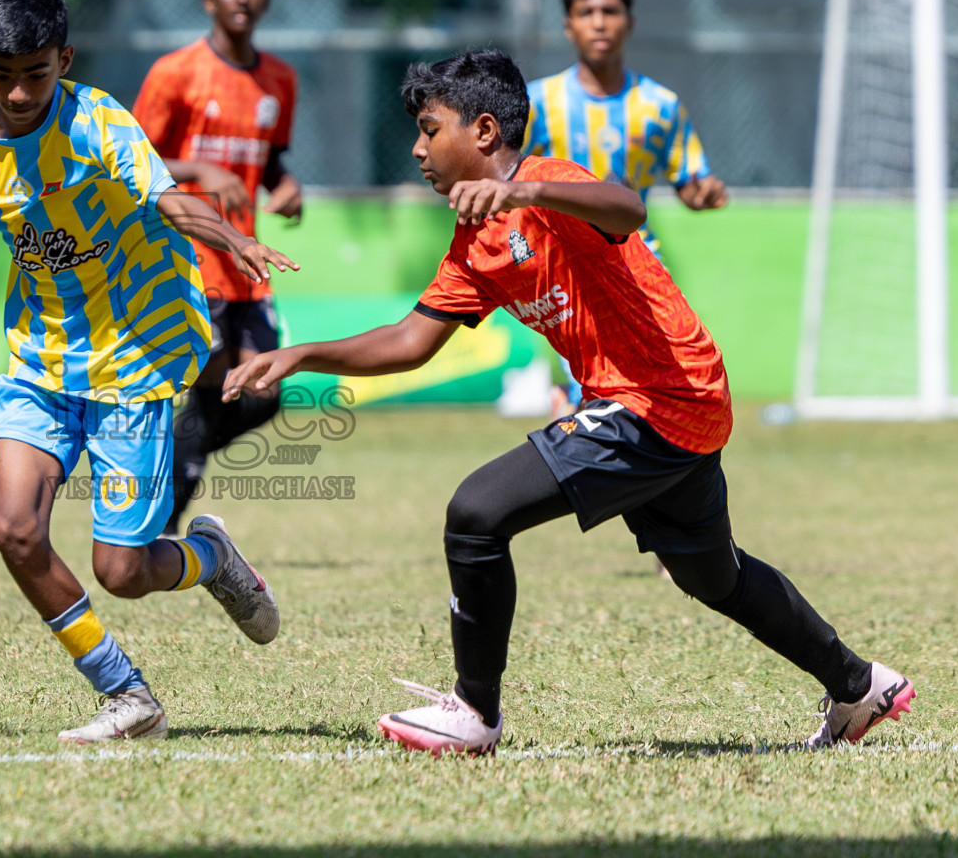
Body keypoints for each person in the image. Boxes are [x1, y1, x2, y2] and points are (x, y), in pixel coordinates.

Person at [223, 49, 914, 756]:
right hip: (678, 405)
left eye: (430, 129)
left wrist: (526, 195)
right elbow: (409, 340)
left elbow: (628, 206)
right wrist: (301, 354)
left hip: (658, 396)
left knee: (476, 514)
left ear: (484, 131)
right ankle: (858, 685)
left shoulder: (545, 181)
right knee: (716, 576)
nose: (417, 147)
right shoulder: (475, 240)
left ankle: (473, 712)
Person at [0, 0, 295, 743]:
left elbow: (168, 200)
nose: (21, 91)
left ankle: (209, 557)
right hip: (40, 367)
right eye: (3, 74)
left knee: (122, 572)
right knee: (14, 530)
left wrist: (234, 238)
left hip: (133, 364)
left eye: (37, 72)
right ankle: (127, 695)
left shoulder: (99, 124)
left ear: (65, 57)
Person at [131, 0, 303, 535]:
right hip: (188, 259)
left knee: (261, 394)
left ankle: (159, 500)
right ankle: (154, 526)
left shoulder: (279, 81)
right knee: (210, 395)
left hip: (246, 263)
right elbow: (131, 164)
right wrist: (201, 172)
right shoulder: (175, 74)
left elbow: (272, 162)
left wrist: (285, 188)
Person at [523, 0, 728, 414]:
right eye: (586, 11)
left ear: (628, 23)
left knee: (653, 392)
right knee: (597, 393)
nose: (599, 22)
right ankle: (568, 410)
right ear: (568, 25)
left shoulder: (659, 105)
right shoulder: (539, 103)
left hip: (640, 266)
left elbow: (689, 183)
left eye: (610, 11)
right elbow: (511, 178)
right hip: (566, 268)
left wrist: (704, 193)